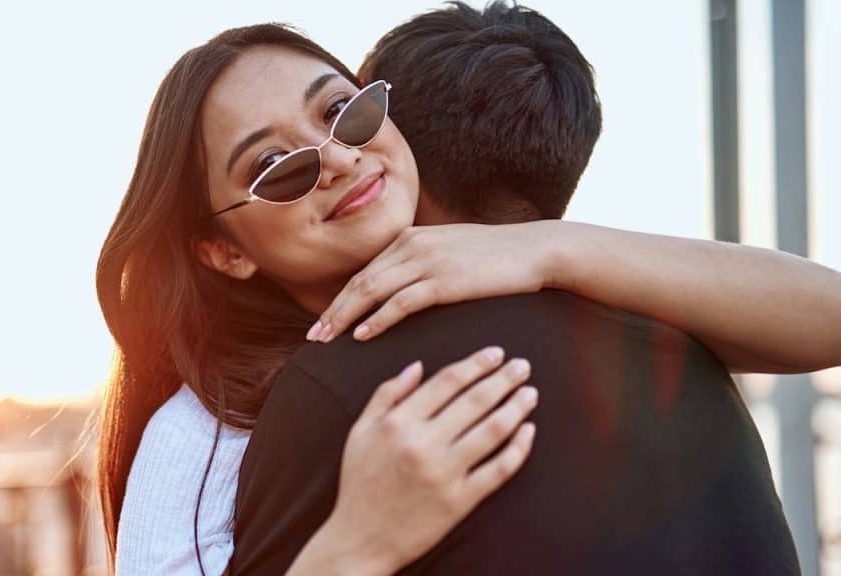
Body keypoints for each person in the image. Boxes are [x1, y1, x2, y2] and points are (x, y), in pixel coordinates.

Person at [97, 7, 841, 576]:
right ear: (226, 251)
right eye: (276, 165)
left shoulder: (557, 288)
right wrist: (361, 540)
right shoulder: (205, 431)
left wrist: (549, 248)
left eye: (344, 112)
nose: (336, 158)